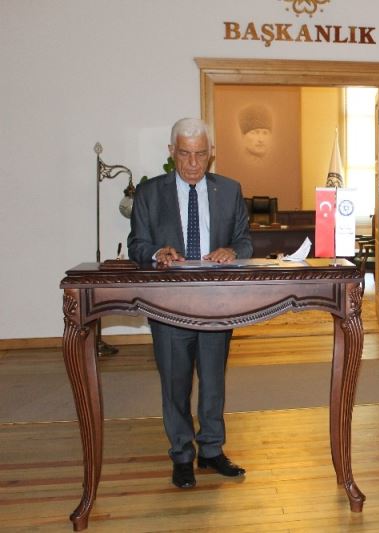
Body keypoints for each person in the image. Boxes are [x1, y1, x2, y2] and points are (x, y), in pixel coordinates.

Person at [127, 118, 253, 488]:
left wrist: (231, 251)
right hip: (169, 306)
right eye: (184, 154)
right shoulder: (150, 193)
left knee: (213, 382)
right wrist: (156, 253)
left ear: (211, 153)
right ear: (172, 152)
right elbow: (136, 245)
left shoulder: (229, 190)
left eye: (200, 154)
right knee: (175, 383)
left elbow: (245, 241)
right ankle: (182, 455)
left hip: (217, 304)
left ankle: (211, 451)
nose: (193, 163)